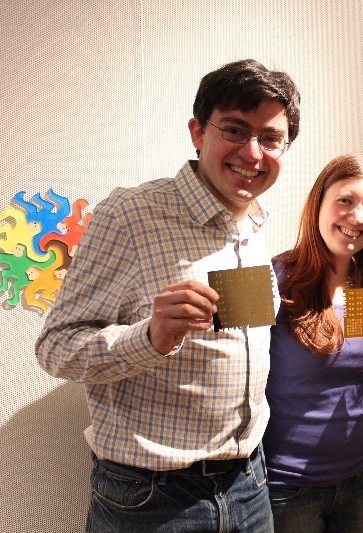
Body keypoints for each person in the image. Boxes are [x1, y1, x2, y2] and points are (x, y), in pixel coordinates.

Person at [35, 59, 300, 533]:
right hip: (153, 499)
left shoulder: (253, 221)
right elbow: (55, 348)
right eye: (235, 130)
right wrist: (151, 338)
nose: (252, 152)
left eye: (270, 138)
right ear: (198, 132)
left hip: (249, 483)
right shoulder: (130, 215)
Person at [262, 154, 363, 533]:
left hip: (362, 480)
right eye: (345, 200)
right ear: (319, 203)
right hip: (287, 487)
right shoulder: (275, 280)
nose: (357, 217)